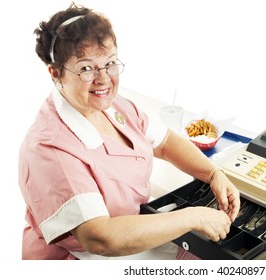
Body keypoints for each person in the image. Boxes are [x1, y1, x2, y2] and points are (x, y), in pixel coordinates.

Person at [18, 3, 240, 260]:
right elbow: (100, 237)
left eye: (110, 63)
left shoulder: (112, 104)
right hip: (86, 256)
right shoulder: (50, 148)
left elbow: (165, 142)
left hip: (131, 230)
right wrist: (193, 217)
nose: (103, 79)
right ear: (56, 73)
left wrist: (214, 174)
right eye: (86, 68)